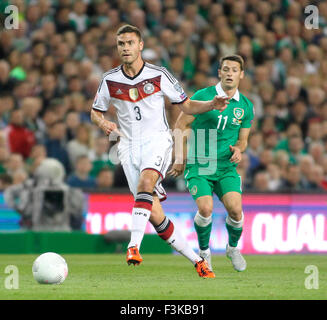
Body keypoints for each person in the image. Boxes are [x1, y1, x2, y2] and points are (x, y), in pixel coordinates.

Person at [90, 24, 228, 278]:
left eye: (130, 43)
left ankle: (133, 247)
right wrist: (103, 122)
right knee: (154, 214)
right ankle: (198, 261)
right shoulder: (110, 80)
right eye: (121, 44)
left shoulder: (159, 74)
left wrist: (211, 104)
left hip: (157, 140)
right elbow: (95, 111)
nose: (125, 48)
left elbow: (186, 106)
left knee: (146, 181)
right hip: (128, 146)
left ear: (140, 45)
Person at [169, 55, 254, 272]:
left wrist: (239, 149)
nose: (229, 73)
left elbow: (243, 140)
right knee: (205, 208)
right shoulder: (203, 96)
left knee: (236, 211)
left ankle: (232, 248)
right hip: (199, 164)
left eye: (234, 70)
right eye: (225, 69)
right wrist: (180, 158)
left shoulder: (245, 106)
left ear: (241, 75)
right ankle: (205, 251)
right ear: (219, 72)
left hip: (226, 167)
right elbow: (180, 124)